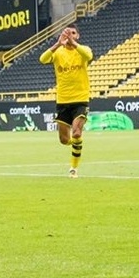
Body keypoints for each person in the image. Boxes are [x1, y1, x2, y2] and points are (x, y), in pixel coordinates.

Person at [40, 25, 92, 175]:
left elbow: (89, 56)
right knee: (64, 140)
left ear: (78, 36)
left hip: (80, 98)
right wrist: (57, 44)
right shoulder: (58, 53)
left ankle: (73, 168)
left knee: (76, 132)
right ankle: (77, 144)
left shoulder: (82, 50)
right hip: (63, 100)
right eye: (67, 33)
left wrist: (73, 43)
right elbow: (42, 59)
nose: (70, 35)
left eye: (73, 33)